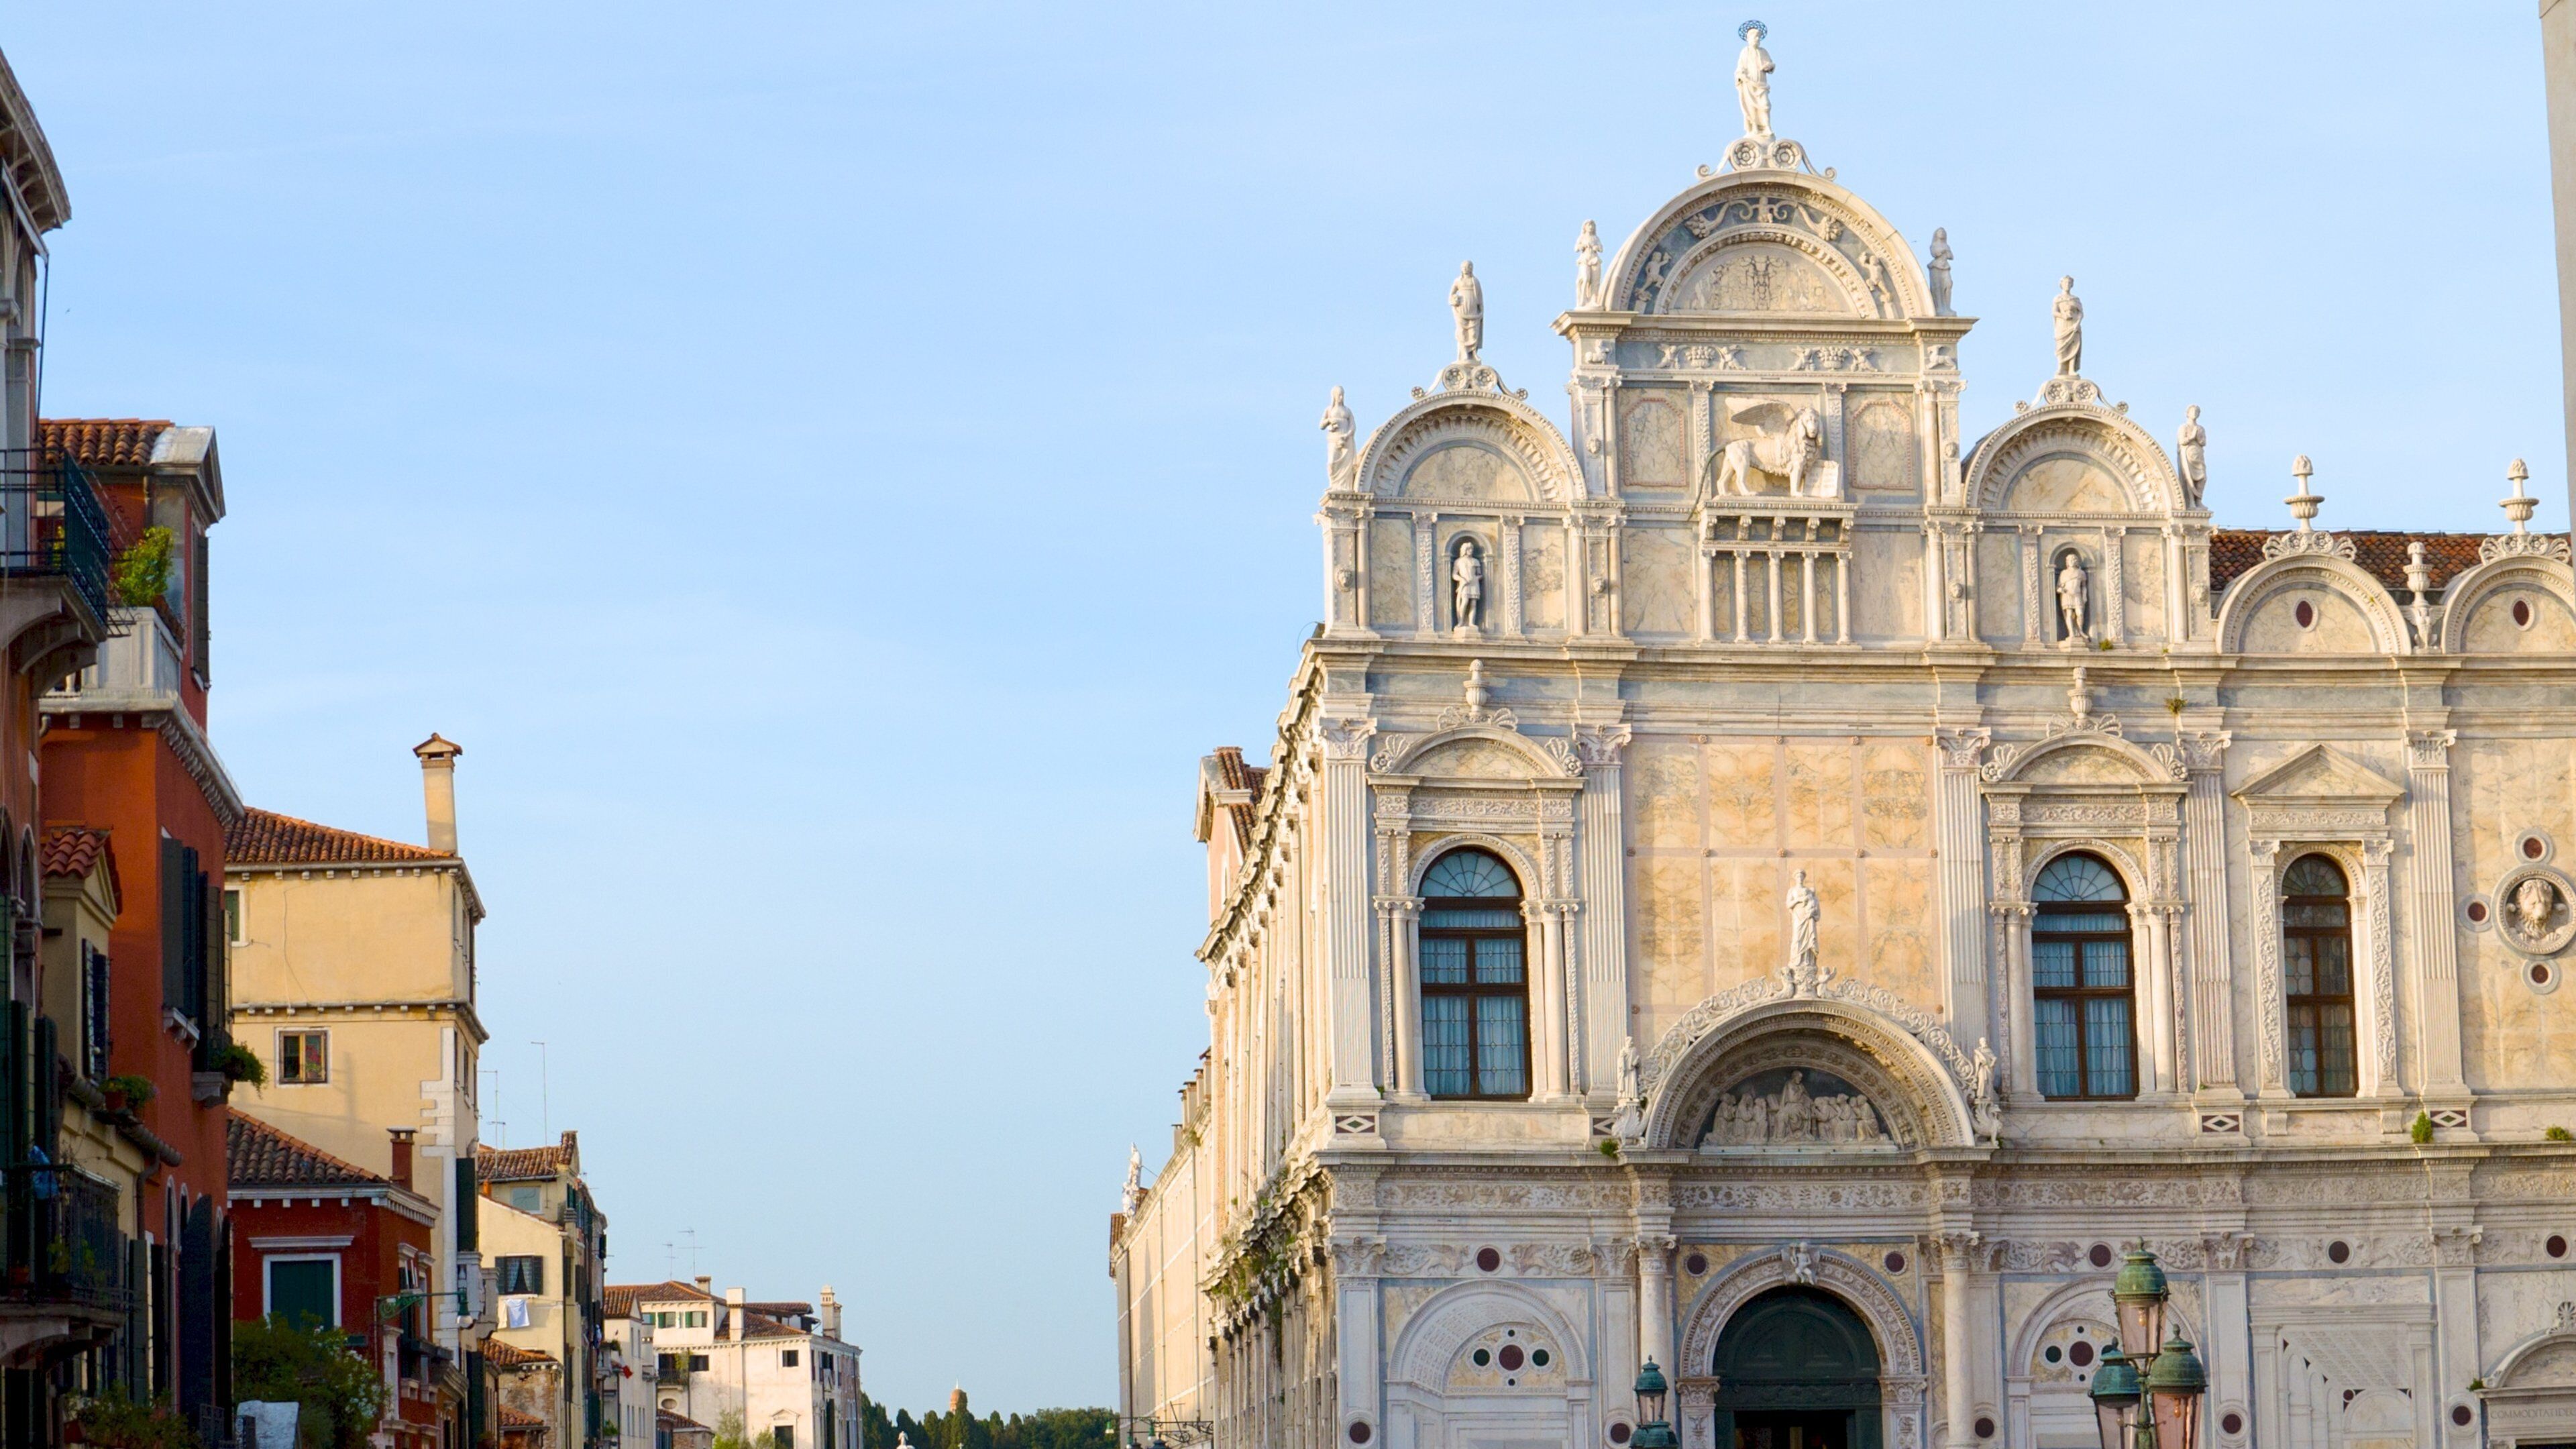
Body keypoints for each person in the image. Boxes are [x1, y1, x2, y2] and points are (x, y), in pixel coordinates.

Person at [1734, 21, 1774, 138]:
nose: (1757, 39)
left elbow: (1770, 64)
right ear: (1749, 39)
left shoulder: (1763, 52)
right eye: (1754, 37)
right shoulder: (1745, 52)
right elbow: (1740, 68)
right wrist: (1741, 76)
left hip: (1761, 85)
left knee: (1765, 105)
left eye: (1758, 37)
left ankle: (1767, 128)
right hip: (1749, 85)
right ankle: (1755, 128)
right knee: (1751, 108)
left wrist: (1769, 66)